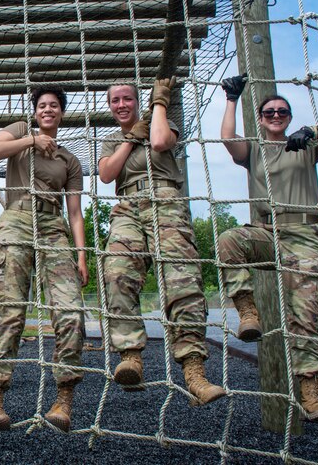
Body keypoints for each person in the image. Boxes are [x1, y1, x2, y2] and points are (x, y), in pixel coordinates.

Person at [217, 75, 318, 422]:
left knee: (304, 314)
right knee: (229, 240)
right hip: (270, 231)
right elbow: (227, 138)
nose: (276, 116)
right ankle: (248, 312)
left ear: (289, 117)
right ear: (261, 118)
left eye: (282, 112)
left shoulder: (306, 145)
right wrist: (232, 99)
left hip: (307, 235)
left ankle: (311, 393)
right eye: (269, 112)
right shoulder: (254, 150)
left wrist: (317, 131)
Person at [98, 78, 225, 406]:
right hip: (127, 204)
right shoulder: (111, 139)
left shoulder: (162, 121)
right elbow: (107, 174)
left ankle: (194, 370)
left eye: (128, 98)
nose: (122, 105)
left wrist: (159, 102)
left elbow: (158, 141)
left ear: (137, 101)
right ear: (110, 106)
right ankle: (130, 356)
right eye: (115, 100)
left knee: (181, 277)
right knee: (116, 272)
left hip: (165, 198)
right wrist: (130, 139)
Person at [0, 85, 88, 433]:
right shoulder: (20, 131)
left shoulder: (69, 161)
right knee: (9, 309)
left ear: (62, 113)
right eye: (42, 105)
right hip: (17, 217)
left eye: (54, 105)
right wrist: (31, 141)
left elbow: (75, 213)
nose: (48, 110)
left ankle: (64, 398)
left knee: (70, 310)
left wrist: (81, 256)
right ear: (35, 111)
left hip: (53, 225)